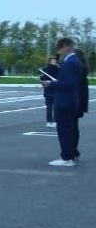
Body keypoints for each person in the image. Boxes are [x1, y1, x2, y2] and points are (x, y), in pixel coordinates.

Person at [43, 37, 88, 166]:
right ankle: (71, 154)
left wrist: (51, 83)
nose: (59, 51)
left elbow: (69, 84)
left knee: (64, 130)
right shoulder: (72, 61)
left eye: (60, 47)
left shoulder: (71, 62)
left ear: (66, 47)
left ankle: (67, 157)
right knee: (70, 129)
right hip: (69, 101)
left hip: (65, 101)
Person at [42, 56, 61, 127]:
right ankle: (49, 121)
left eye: (55, 61)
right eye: (53, 61)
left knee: (56, 107)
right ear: (49, 61)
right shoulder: (46, 69)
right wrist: (44, 81)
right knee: (49, 107)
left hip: (56, 90)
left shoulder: (59, 69)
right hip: (48, 90)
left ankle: (56, 121)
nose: (54, 62)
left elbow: (61, 77)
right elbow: (44, 78)